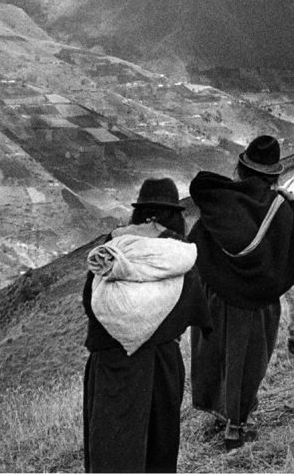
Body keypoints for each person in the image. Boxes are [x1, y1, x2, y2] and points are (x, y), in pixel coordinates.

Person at [189, 137, 294, 451]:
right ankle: (237, 424)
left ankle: (222, 412)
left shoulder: (220, 201)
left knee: (218, 356)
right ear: (274, 175)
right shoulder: (281, 210)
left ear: (242, 168)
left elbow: (196, 243)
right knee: (248, 361)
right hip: (257, 303)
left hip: (217, 297)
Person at [82, 178, 212, 473]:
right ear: (172, 215)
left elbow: (90, 301)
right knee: (159, 449)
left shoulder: (112, 249)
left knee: (111, 448)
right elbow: (191, 304)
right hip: (161, 364)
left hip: (111, 365)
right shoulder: (179, 254)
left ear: (141, 214)